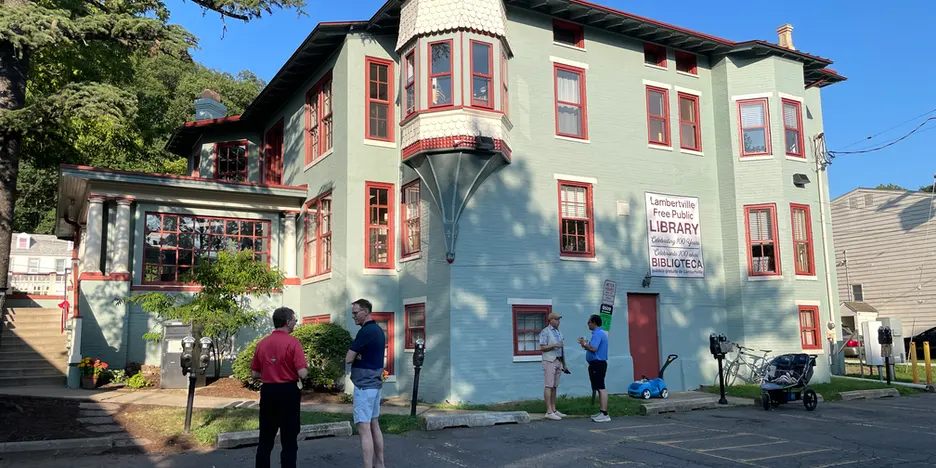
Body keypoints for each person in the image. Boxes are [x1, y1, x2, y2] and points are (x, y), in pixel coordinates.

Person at [250, 306, 309, 468]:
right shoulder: (294, 343)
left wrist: (270, 373)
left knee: (265, 440)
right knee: (289, 441)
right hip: (288, 393)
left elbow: (254, 374)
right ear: (288, 322)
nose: (296, 323)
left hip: (268, 392)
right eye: (295, 320)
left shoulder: (262, 344)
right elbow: (302, 373)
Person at [346, 299, 387, 468]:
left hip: (364, 387)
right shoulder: (378, 330)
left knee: (364, 429)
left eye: (356, 313)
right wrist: (360, 355)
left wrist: (357, 355)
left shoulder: (365, 332)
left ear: (366, 311)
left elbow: (348, 358)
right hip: (375, 385)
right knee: (374, 424)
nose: (353, 316)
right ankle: (380, 464)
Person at [578, 314, 610, 423]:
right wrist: (585, 345)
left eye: (589, 323)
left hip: (598, 363)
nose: (588, 325)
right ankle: (601, 411)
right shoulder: (599, 333)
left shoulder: (597, 334)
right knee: (598, 387)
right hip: (596, 363)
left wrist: (585, 343)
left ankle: (604, 413)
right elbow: (591, 348)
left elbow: (593, 348)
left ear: (594, 323)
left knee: (601, 388)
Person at [539, 312, 570, 420]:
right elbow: (542, 347)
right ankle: (548, 411)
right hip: (549, 360)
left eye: (559, 319)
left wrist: (564, 364)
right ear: (551, 320)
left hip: (558, 360)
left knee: (555, 386)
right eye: (556, 319)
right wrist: (554, 345)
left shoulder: (559, 332)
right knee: (549, 385)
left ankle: (554, 409)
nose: (558, 321)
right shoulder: (545, 332)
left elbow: (562, 349)